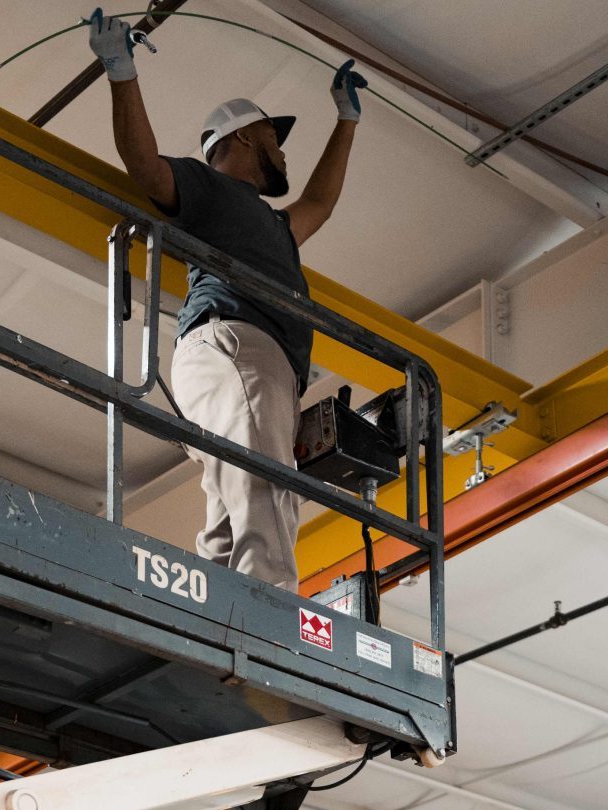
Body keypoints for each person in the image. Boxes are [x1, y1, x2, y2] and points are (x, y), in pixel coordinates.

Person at [87, 10, 366, 587]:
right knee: (266, 487)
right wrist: (120, 72)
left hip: (240, 360)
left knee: (231, 514)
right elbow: (146, 168)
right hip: (237, 346)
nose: (283, 153)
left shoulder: (273, 226)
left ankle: (209, 613)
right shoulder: (212, 189)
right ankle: (273, 615)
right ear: (244, 136)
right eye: (274, 138)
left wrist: (346, 121)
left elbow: (320, 203)